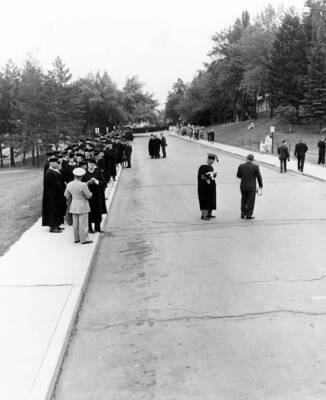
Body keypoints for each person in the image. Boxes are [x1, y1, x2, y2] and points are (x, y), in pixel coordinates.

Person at [64, 167, 93, 244]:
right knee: (83, 224)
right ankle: (84, 239)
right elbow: (88, 195)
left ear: (74, 175)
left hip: (74, 204)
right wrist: (91, 194)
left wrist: (73, 197)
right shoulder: (83, 185)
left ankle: (76, 238)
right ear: (81, 176)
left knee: (75, 223)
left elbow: (66, 194)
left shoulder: (69, 184)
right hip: (83, 205)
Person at [42, 156, 66, 233]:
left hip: (56, 195)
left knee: (57, 210)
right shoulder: (49, 172)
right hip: (52, 195)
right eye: (56, 163)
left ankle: (57, 225)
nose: (57, 164)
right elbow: (54, 184)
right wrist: (61, 185)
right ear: (51, 163)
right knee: (53, 210)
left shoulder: (54, 171)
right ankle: (53, 227)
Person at [236, 154, 263, 220]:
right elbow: (259, 177)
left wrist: (244, 176)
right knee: (251, 201)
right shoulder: (255, 167)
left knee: (243, 199)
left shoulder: (241, 166)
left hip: (243, 186)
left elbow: (238, 175)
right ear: (253, 159)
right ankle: (249, 215)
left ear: (246, 158)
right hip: (252, 187)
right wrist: (260, 185)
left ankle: (243, 214)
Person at [197, 153, 218, 220]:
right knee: (204, 200)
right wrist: (210, 176)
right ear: (208, 159)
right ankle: (204, 215)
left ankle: (209, 214)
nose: (212, 162)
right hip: (203, 188)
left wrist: (214, 175)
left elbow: (211, 178)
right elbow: (202, 177)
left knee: (210, 200)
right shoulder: (202, 167)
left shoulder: (211, 167)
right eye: (211, 160)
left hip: (210, 188)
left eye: (213, 161)